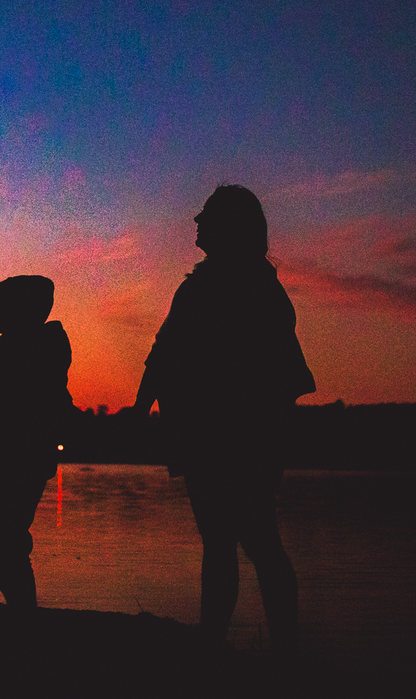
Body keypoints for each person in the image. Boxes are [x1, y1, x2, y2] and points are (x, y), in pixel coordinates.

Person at [131, 185, 315, 659]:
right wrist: (141, 404)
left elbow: (270, 376)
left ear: (230, 228)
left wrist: (148, 402)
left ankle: (276, 650)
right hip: (204, 437)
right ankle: (221, 644)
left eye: (207, 216)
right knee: (224, 542)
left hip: (239, 439)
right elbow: (164, 349)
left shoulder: (255, 289)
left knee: (255, 542)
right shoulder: (199, 287)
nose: (196, 222)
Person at [0, 276, 74, 608]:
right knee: (7, 548)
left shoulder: (14, 357)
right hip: (28, 463)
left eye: (1, 302)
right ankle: (24, 614)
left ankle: (25, 618)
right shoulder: (39, 349)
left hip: (15, 464)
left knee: (4, 551)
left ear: (21, 310)